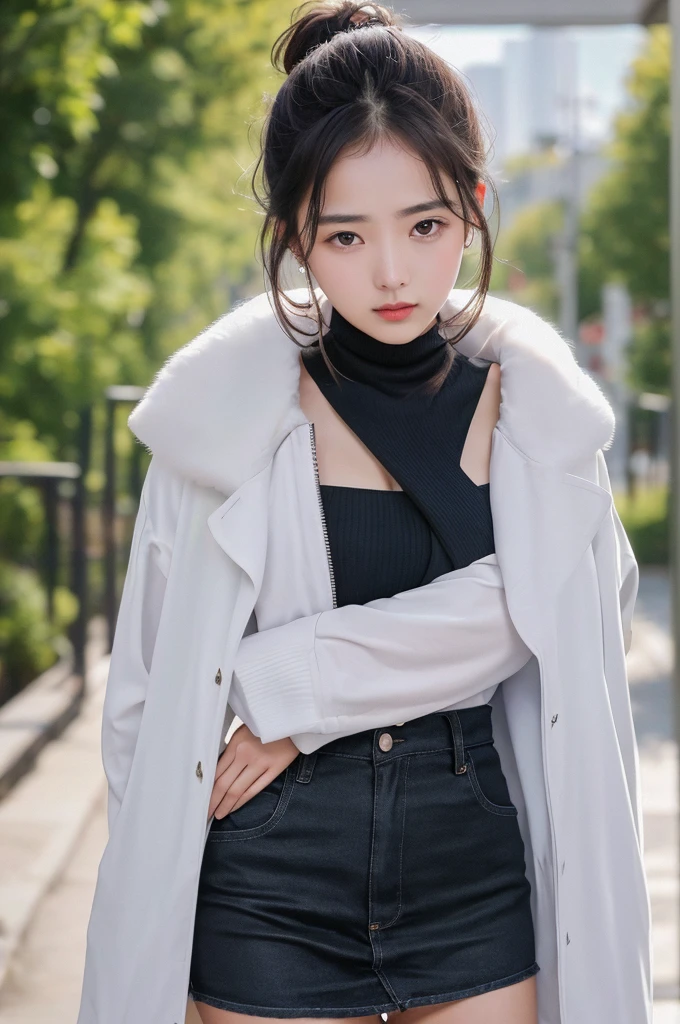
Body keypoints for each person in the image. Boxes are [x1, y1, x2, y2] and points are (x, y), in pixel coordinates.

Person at [76, 4, 652, 1024]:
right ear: (296, 233)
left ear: (472, 207)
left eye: (424, 225)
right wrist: (154, 875)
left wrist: (295, 693)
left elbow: (549, 605)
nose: (390, 272)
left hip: (470, 866)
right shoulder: (222, 432)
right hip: (270, 876)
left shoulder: (544, 428)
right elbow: (146, 701)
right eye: (345, 234)